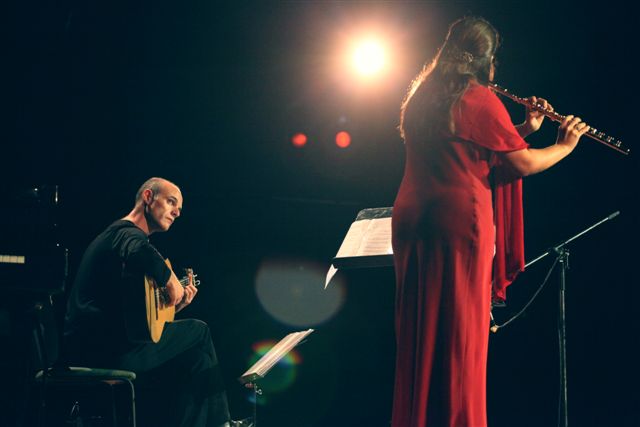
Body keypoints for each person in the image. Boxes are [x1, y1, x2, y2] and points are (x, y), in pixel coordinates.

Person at [391, 17, 589, 427]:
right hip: (457, 227)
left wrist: (524, 128)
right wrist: (564, 145)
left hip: (415, 221)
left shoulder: (422, 94)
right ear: (488, 60)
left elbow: (464, 147)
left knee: (423, 331)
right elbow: (522, 163)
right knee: (461, 337)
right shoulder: (478, 98)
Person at [63, 177, 252, 427]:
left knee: (196, 361)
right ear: (148, 197)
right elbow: (137, 249)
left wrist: (173, 306)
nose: (176, 212)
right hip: (100, 351)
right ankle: (223, 423)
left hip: (110, 345)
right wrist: (169, 278)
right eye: (171, 202)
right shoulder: (123, 233)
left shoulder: (123, 243)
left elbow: (134, 314)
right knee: (200, 330)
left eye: (179, 209)